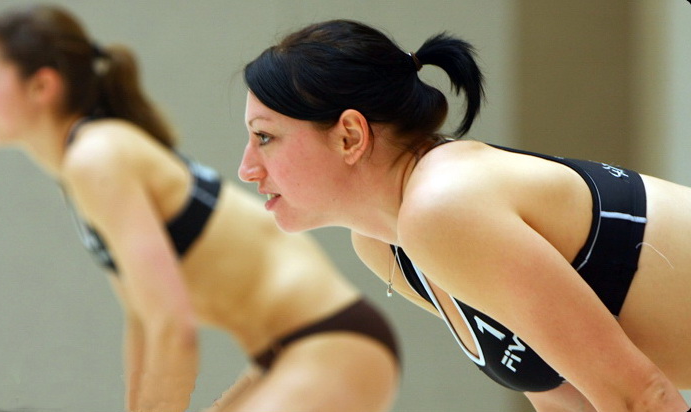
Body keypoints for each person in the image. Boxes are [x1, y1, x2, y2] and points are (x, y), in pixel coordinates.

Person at [0, 7, 401, 412]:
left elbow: (173, 328)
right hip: (283, 354)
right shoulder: (83, 165)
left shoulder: (97, 156)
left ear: (42, 85)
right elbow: (142, 321)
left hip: (330, 341)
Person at [238, 19, 691, 412]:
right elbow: (569, 396)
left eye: (264, 137)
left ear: (350, 136)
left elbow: (645, 399)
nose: (246, 169)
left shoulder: (446, 205)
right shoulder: (384, 245)